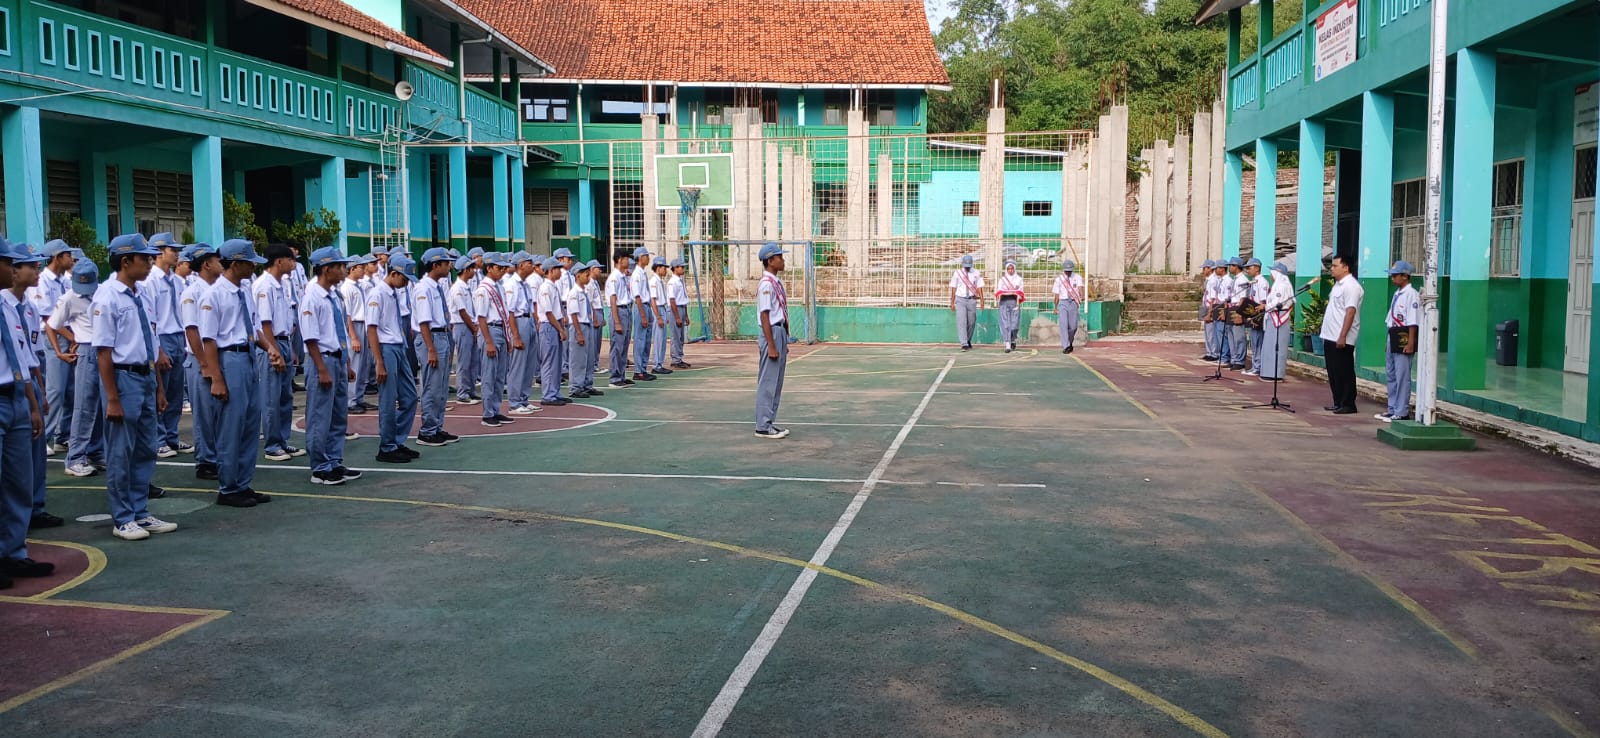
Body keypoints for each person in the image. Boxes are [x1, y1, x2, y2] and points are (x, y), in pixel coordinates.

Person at [94, 234, 179, 539]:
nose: (149, 263)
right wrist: (112, 398)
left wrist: (158, 388)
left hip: (145, 375)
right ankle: (123, 518)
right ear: (126, 261)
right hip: (123, 377)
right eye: (144, 258)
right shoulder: (107, 297)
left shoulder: (140, 294)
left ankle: (140, 511)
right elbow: (103, 352)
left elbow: (149, 342)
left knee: (145, 448)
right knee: (121, 451)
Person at [199, 239, 271, 508]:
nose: (254, 266)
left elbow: (253, 326)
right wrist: (216, 378)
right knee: (231, 425)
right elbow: (209, 339)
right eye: (250, 262)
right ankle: (228, 487)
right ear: (236, 263)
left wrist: (270, 348)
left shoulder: (244, 290)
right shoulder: (214, 295)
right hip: (229, 359)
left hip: (248, 355)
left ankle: (242, 482)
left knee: (250, 423)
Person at [0, 238, 52, 583]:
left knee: (19, 481)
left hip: (16, 396)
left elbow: (22, 360)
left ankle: (13, 553)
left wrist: (33, 404)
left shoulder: (11, 307)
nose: (12, 268)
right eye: (9, 263)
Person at [4, 243, 62, 531]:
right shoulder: (5, 305)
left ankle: (35, 507)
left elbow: (31, 355)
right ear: (14, 271)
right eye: (31, 266)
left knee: (36, 454)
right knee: (15, 460)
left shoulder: (29, 307)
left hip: (29, 383)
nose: (37, 270)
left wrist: (40, 391)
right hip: (11, 387)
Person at [300, 247, 362, 485]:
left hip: (336, 358)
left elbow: (340, 332)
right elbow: (310, 337)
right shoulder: (312, 297)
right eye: (339, 266)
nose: (344, 270)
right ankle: (320, 467)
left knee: (338, 415)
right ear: (326, 269)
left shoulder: (335, 296)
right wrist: (321, 369)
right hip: (322, 359)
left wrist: (346, 362)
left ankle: (334, 461)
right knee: (319, 416)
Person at [49, 259, 106, 478]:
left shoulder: (104, 293)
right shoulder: (69, 298)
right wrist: (59, 351)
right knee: (83, 406)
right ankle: (75, 458)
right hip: (86, 351)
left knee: (101, 406)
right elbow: (52, 325)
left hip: (105, 349)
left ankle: (95, 452)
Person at [143, 233, 193, 458]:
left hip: (178, 336)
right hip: (162, 337)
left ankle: (172, 436)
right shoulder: (150, 281)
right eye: (173, 250)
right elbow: (150, 319)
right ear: (159, 252)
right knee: (159, 389)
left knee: (175, 391)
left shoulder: (177, 280)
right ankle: (159, 439)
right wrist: (158, 350)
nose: (177, 254)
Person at [368, 254, 421, 462]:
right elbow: (371, 329)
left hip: (399, 346)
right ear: (393, 273)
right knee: (388, 400)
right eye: (404, 278)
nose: (406, 283)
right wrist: (379, 362)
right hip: (386, 349)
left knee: (410, 397)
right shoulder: (377, 294)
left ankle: (396, 440)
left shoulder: (393, 293)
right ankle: (387, 446)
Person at [30, 239, 78, 454]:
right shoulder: (43, 281)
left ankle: (63, 436)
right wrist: (72, 337)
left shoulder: (64, 281)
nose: (71, 259)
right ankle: (43, 437)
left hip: (67, 335)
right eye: (67, 255)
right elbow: (49, 318)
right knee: (55, 390)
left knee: (71, 391)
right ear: (57, 257)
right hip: (52, 337)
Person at [255, 244, 302, 462]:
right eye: (290, 260)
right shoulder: (264, 286)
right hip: (270, 343)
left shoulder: (281, 284)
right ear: (279, 261)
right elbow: (265, 324)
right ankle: (272, 445)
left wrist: (289, 349)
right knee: (271, 397)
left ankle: (282, 440)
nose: (293, 264)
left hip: (283, 341)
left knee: (285, 396)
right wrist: (274, 351)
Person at [178, 244, 221, 480]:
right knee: (204, 413)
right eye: (217, 260)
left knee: (217, 412)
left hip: (215, 356)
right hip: (200, 358)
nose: (221, 264)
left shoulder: (217, 289)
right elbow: (192, 330)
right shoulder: (192, 293)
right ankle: (206, 461)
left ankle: (216, 456)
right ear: (206, 264)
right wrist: (205, 364)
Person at [414, 249, 462, 445]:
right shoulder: (423, 289)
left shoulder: (436, 287)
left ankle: (436, 427)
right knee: (432, 387)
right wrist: (431, 349)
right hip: (431, 337)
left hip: (441, 335)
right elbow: (423, 322)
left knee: (441, 388)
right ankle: (427, 431)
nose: (449, 266)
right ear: (435, 265)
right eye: (445, 263)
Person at [474, 254, 517, 426]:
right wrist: (488, 341)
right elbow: (481, 317)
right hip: (490, 330)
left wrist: (508, 337)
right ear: (489, 268)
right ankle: (487, 413)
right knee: (489, 375)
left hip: (500, 330)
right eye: (499, 268)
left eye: (504, 268)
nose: (502, 271)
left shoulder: (499, 286)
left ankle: (496, 409)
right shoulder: (483, 290)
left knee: (500, 375)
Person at [1320, 254, 1364, 414]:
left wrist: (1343, 335)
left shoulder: (1351, 286)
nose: (1331, 268)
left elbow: (1350, 312)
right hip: (1330, 335)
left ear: (1346, 268)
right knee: (1333, 372)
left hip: (1341, 337)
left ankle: (1348, 403)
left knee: (1344, 371)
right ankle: (1338, 401)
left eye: (1335, 266)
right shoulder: (1338, 285)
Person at [754, 243, 790, 439]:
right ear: (770, 261)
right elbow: (765, 315)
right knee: (768, 381)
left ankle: (769, 421)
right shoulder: (766, 285)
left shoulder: (775, 282)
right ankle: (762, 425)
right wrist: (772, 345)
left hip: (779, 332)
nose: (783, 260)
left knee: (776, 382)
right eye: (779, 257)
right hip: (772, 333)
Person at [1380, 260, 1420, 423]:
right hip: (1393, 334)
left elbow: (1413, 321)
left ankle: (1402, 411)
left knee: (1402, 375)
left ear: (1405, 276)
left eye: (1395, 275)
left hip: (1404, 336)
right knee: (1391, 373)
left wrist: (1410, 342)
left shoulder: (1411, 294)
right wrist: (1388, 340)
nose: (1392, 278)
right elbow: (1391, 319)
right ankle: (1392, 408)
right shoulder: (1398, 294)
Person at [504, 253, 540, 415]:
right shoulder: (511, 284)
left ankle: (524, 398)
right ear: (520, 265)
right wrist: (516, 336)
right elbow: (510, 312)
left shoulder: (525, 284)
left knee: (529, 363)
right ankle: (514, 402)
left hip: (528, 320)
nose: (532, 265)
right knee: (518, 364)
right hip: (519, 322)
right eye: (529, 262)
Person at [341, 255, 373, 415]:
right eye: (361, 267)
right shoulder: (347, 288)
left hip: (363, 324)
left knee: (363, 365)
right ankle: (350, 400)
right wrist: (353, 337)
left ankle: (359, 397)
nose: (364, 269)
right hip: (355, 325)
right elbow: (348, 315)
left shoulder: (358, 286)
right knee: (354, 363)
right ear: (352, 269)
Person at [537, 257, 570, 406]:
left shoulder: (553, 286)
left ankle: (555, 392)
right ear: (551, 270)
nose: (560, 272)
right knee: (549, 361)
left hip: (555, 325)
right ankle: (548, 395)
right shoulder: (545, 288)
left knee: (556, 362)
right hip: (549, 326)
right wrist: (560, 329)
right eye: (558, 269)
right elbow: (548, 312)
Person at [449, 256, 481, 404]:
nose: (474, 271)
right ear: (466, 270)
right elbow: (462, 311)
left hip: (470, 325)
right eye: (471, 268)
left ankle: (470, 390)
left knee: (473, 361)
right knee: (464, 361)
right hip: (463, 326)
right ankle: (463, 393)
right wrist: (473, 328)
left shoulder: (466, 287)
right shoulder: (458, 288)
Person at [1259, 262, 1296, 383]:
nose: (1271, 275)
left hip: (1278, 317)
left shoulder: (1282, 286)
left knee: (1276, 345)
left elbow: (1277, 303)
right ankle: (1268, 372)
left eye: (1272, 273)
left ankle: (1274, 373)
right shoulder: (1277, 285)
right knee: (1270, 345)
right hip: (1273, 316)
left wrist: (1265, 306)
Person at [566, 264, 597, 398]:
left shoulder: (584, 291)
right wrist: (579, 333)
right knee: (578, 359)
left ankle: (587, 384)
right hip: (579, 326)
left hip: (587, 325)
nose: (588, 277)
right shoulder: (574, 293)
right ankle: (576, 387)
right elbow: (573, 314)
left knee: (589, 358)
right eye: (586, 275)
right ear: (578, 276)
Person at [607, 251, 635, 388]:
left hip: (627, 309)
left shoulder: (623, 276)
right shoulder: (614, 277)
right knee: (617, 346)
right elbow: (613, 299)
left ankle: (621, 374)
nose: (628, 261)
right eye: (626, 259)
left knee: (624, 345)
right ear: (619, 260)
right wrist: (617, 321)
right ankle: (615, 377)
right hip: (619, 310)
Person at [629, 247, 656, 381]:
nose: (648, 258)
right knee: (640, 340)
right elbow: (637, 296)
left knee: (646, 340)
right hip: (641, 307)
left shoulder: (643, 273)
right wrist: (643, 315)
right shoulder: (636, 275)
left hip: (646, 306)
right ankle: (638, 370)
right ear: (640, 257)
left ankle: (643, 368)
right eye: (646, 256)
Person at [949, 254, 984, 350]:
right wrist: (952, 302)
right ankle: (964, 343)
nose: (967, 268)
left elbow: (980, 287)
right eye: (966, 266)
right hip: (960, 299)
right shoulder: (957, 273)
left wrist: (982, 300)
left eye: (969, 266)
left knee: (971, 322)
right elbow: (953, 288)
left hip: (972, 300)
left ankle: (968, 339)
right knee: (962, 321)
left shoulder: (976, 273)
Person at [1244, 257, 1270, 377]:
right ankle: (1255, 366)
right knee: (1254, 343)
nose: (1248, 270)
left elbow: (1263, 302)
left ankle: (1258, 367)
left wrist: (1255, 317)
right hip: (1253, 314)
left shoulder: (1262, 282)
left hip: (1259, 315)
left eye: (1249, 268)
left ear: (1257, 268)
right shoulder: (1254, 282)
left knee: (1258, 342)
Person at [1052, 261, 1084, 354]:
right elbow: (1057, 295)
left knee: (1073, 327)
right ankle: (1065, 346)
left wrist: (1082, 296)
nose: (1068, 272)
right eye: (1066, 270)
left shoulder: (1077, 277)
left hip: (1073, 302)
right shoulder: (1059, 279)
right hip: (1063, 302)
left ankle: (1069, 342)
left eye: (1070, 270)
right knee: (1063, 324)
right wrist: (1055, 307)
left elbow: (1080, 287)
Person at [1224, 256, 1249, 370]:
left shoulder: (1243, 279)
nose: (1230, 268)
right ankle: (1233, 358)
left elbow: (1242, 298)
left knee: (1238, 336)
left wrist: (1240, 313)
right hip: (1231, 307)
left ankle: (1240, 360)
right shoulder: (1235, 279)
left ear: (1237, 267)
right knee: (1231, 335)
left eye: (1231, 265)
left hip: (1237, 308)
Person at [648, 260, 673, 375]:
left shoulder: (660, 281)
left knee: (662, 339)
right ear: (658, 268)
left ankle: (660, 363)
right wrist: (658, 317)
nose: (665, 270)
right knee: (658, 339)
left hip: (662, 308)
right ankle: (656, 365)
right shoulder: (653, 281)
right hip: (657, 309)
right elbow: (653, 300)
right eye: (664, 268)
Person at [666, 258, 692, 369]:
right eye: (681, 267)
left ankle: (679, 358)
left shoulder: (680, 281)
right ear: (675, 268)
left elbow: (683, 299)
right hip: (675, 310)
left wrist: (686, 315)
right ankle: (675, 359)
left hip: (681, 308)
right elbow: (672, 300)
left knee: (681, 336)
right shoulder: (672, 282)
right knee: (676, 336)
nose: (683, 269)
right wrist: (677, 317)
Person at [995, 260, 1025, 353]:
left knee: (1014, 324)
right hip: (1004, 302)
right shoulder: (1002, 279)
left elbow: (1021, 291)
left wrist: (1015, 292)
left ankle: (1013, 339)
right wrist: (1005, 292)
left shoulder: (1019, 279)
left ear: (1014, 269)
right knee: (1005, 324)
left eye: (1012, 269)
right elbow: (999, 290)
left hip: (1014, 302)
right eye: (1008, 269)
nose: (1010, 270)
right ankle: (1007, 344)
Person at [586, 260, 607, 377]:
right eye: (598, 268)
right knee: (594, 341)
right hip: (594, 313)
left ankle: (596, 363)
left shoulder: (595, 283)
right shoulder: (589, 283)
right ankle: (593, 365)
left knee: (598, 341)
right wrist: (594, 318)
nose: (600, 270)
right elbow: (590, 303)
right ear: (592, 269)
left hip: (598, 312)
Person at [1199, 260, 1220, 361]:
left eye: (1205, 268)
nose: (1203, 270)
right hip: (1206, 305)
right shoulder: (1208, 280)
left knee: (1211, 332)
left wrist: (1210, 312)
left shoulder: (1213, 281)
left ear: (1210, 269)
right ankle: (1209, 351)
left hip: (1210, 307)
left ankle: (1214, 353)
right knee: (1207, 332)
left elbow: (1212, 298)